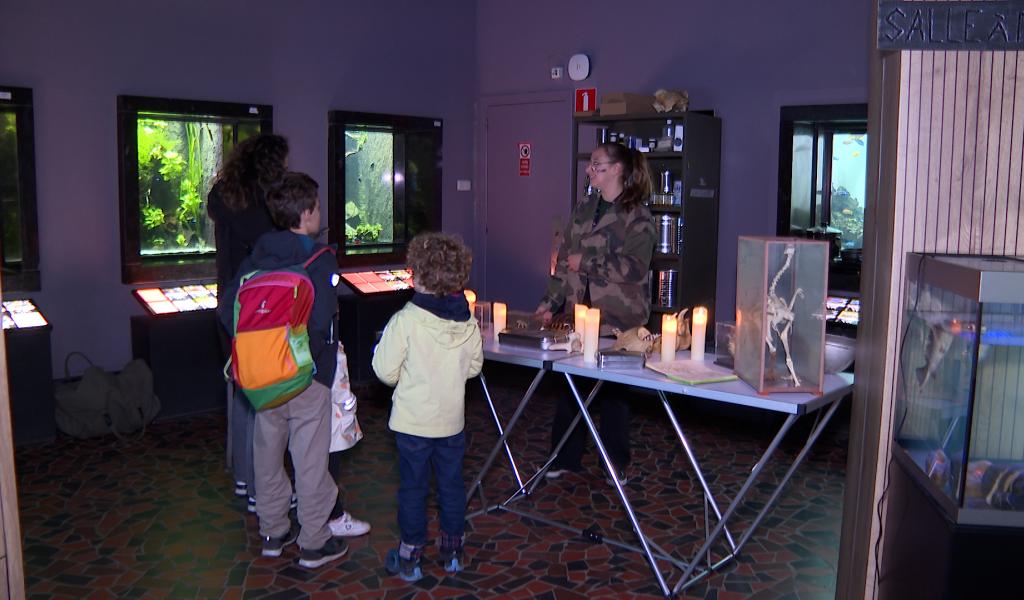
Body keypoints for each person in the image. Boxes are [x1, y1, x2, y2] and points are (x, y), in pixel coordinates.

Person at [220, 172, 348, 568]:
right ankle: (314, 540)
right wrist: (315, 363)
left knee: (267, 455)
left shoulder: (253, 258)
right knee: (309, 458)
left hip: (261, 378)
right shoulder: (318, 259)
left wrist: (262, 349)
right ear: (307, 213)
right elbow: (323, 317)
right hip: (306, 377)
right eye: (317, 208)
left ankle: (274, 532)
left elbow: (227, 312)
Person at [535, 142, 657, 485]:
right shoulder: (584, 208)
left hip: (619, 319)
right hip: (580, 315)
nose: (590, 170)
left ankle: (615, 463)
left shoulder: (638, 216)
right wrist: (549, 301)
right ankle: (563, 457)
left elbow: (636, 267)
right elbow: (563, 264)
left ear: (617, 169)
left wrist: (586, 262)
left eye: (598, 164)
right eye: (590, 164)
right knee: (571, 387)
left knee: (615, 394)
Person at [372, 232, 483, 581]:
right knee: (451, 487)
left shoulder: (406, 321)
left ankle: (410, 556)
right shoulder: (467, 321)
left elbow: (384, 371)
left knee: (414, 490)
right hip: (451, 423)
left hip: (412, 425)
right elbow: (475, 367)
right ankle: (452, 552)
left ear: (417, 274)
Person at [208, 133, 289, 509]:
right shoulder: (260, 205)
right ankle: (262, 490)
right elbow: (270, 247)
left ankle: (244, 478)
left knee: (243, 392)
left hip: (229, 300)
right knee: (263, 396)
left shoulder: (225, 195)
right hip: (256, 303)